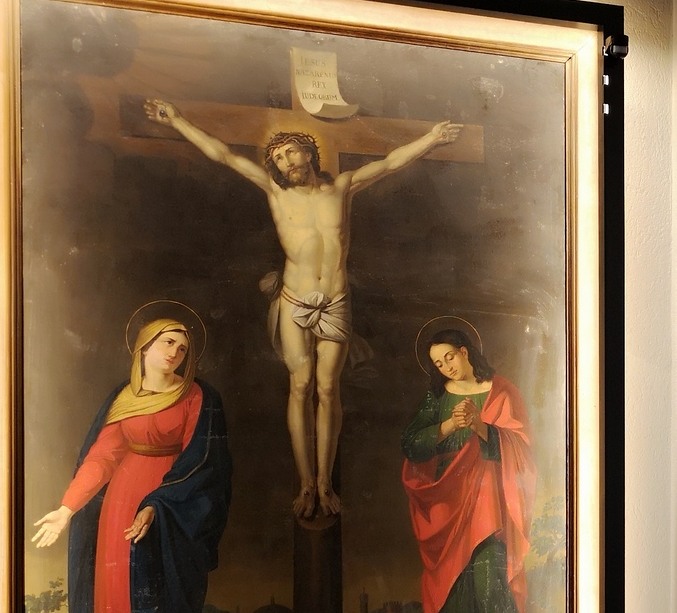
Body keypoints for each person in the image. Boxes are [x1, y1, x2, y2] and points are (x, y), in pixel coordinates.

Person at [143, 98, 460, 519]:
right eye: (277, 157)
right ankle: (305, 482)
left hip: (336, 302)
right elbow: (223, 155)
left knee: (328, 389)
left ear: (309, 153)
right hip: (294, 302)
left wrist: (432, 138)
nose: (285, 161)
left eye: (291, 151)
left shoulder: (342, 187)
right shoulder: (276, 191)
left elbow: (390, 163)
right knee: (301, 385)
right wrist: (179, 119)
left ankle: (325, 482)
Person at [32, 313, 232, 613]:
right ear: (143, 346)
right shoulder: (122, 399)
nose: (176, 352)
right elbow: (102, 458)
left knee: (163, 607)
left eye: (183, 347)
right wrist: (67, 509)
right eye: (168, 342)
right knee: (121, 608)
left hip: (172, 510)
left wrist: (158, 504)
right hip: (120, 510)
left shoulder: (197, 396)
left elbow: (202, 462)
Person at [400, 328, 536, 613]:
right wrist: (450, 425)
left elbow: (522, 450)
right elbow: (411, 444)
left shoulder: (502, 392)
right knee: (454, 588)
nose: (446, 367)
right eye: (438, 364)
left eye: (449, 357)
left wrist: (479, 425)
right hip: (447, 501)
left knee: (491, 582)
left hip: (489, 503)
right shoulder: (436, 398)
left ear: (464, 351)